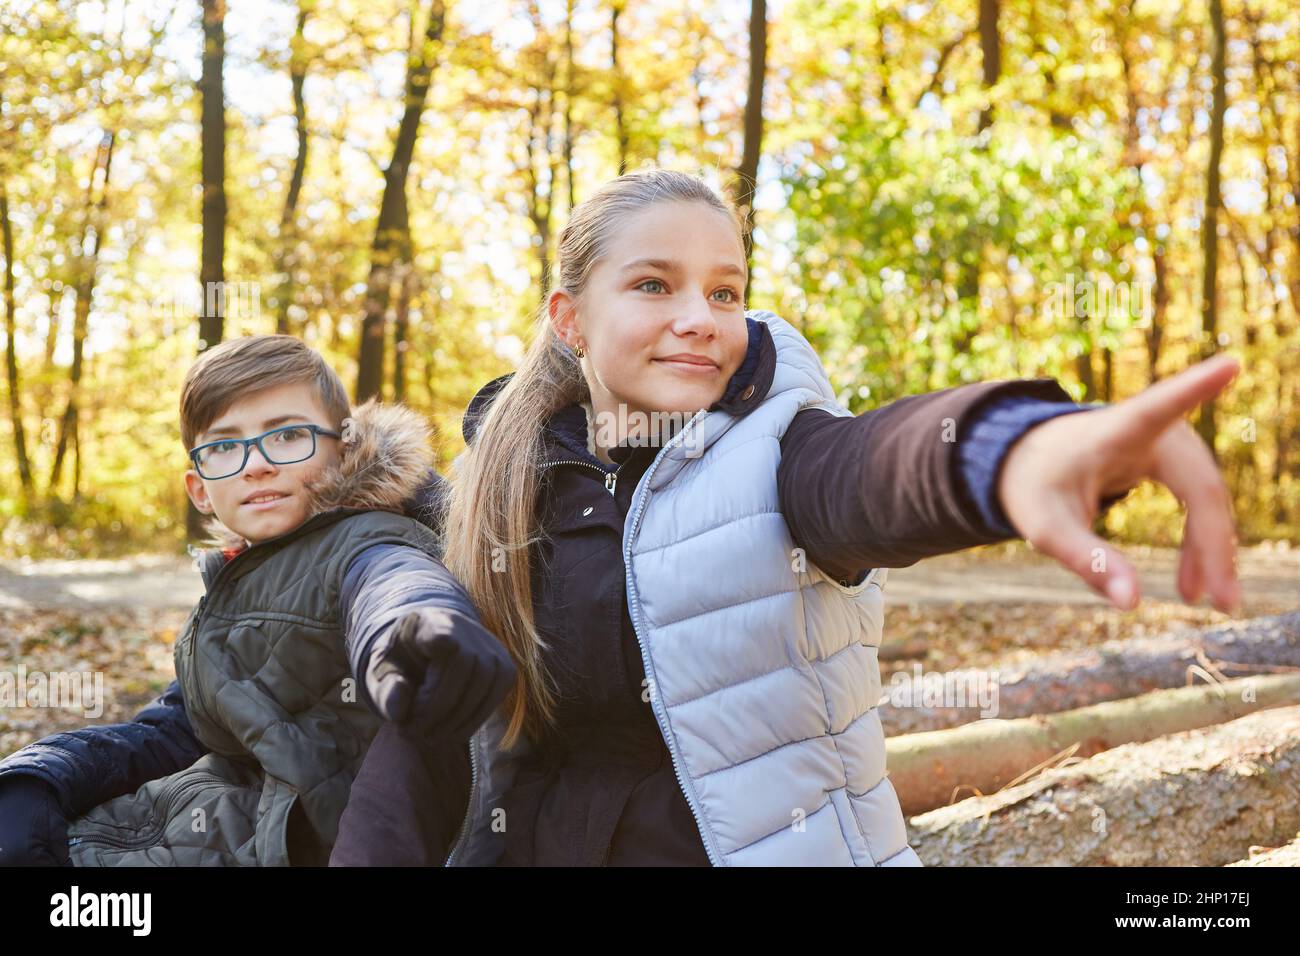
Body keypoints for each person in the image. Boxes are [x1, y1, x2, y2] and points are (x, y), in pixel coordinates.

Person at [333, 168, 1239, 867]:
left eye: (724, 292)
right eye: (655, 284)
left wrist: (1012, 449)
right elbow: (428, 739)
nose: (700, 317)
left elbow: (878, 468)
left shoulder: (780, 450)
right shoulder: (507, 484)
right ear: (570, 318)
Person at [0, 335, 513, 866]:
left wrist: (414, 632)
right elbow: (176, 728)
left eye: (288, 435)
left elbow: (393, 583)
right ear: (200, 489)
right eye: (224, 446)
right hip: (219, 820)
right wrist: (44, 773)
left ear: (343, 446)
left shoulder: (365, 540)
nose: (256, 464)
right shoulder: (242, 576)